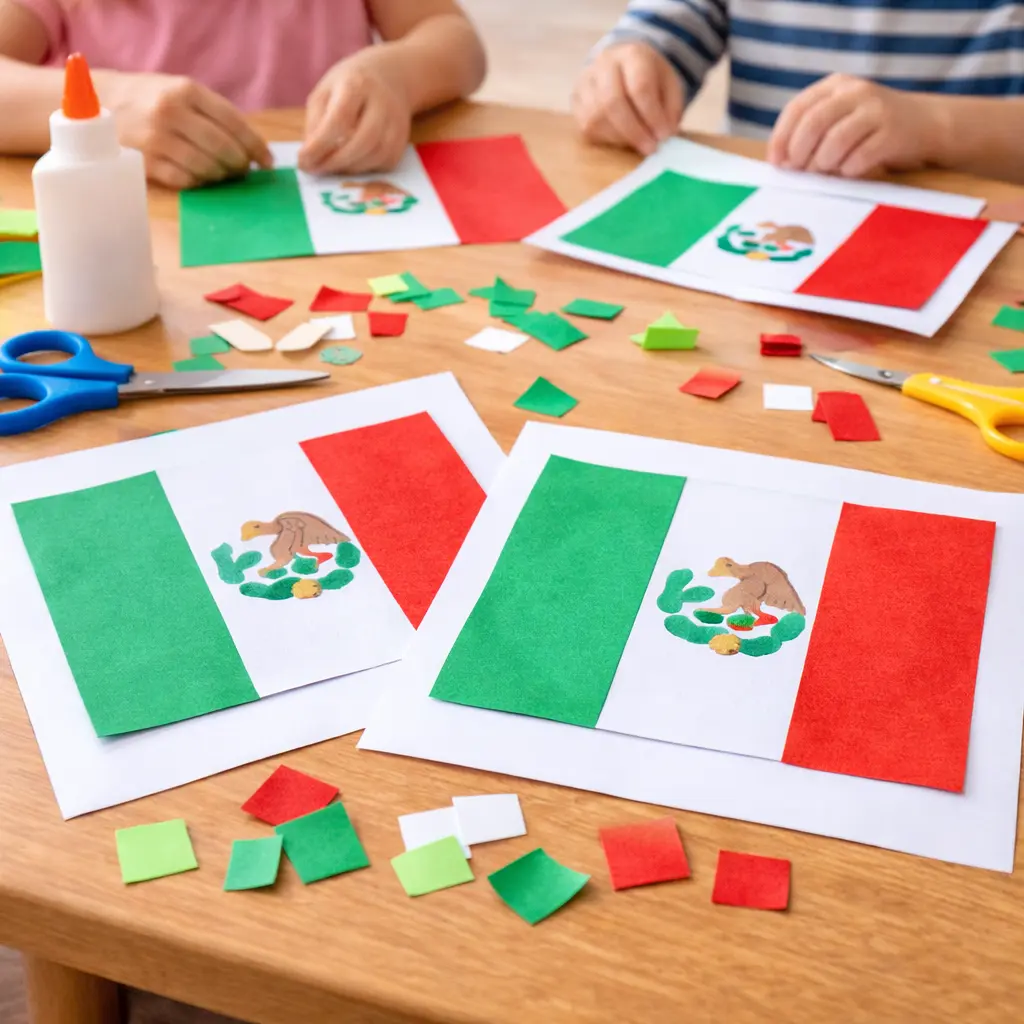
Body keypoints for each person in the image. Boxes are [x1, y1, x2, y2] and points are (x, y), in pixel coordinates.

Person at [0, 0, 486, 188]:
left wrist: (398, 73)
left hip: (335, 243)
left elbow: (453, 38)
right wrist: (109, 111)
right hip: (139, 252)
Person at [573, 1, 1024, 183]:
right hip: (761, 218)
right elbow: (668, 25)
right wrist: (628, 64)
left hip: (976, 236)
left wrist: (936, 127)